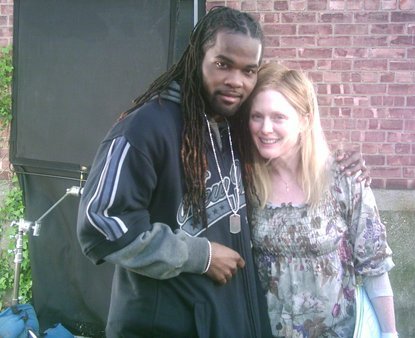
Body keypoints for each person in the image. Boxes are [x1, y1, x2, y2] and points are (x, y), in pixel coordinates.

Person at [77, 6, 368, 338]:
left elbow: (287, 139)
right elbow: (100, 225)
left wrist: (340, 163)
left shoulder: (232, 125)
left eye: (249, 70)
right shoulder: (146, 128)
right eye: (222, 64)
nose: (236, 81)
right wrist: (200, 255)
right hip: (163, 326)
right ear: (197, 57)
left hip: (225, 321)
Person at [234, 62, 397, 338]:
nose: (265, 128)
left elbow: (375, 267)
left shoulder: (344, 179)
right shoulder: (246, 184)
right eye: (257, 116)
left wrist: (390, 333)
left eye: (278, 117)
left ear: (305, 120)